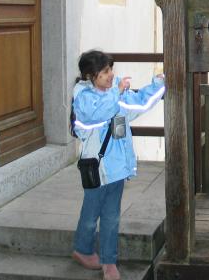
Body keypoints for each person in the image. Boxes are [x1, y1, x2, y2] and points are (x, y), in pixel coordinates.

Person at [70, 50, 165, 280]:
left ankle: (108, 262)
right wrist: (116, 91)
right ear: (90, 76)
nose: (111, 75)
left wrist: (161, 84)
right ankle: (82, 250)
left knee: (111, 216)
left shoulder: (115, 94)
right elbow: (98, 112)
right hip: (97, 168)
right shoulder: (83, 97)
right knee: (91, 213)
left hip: (117, 170)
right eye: (105, 72)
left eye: (111, 70)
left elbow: (141, 102)